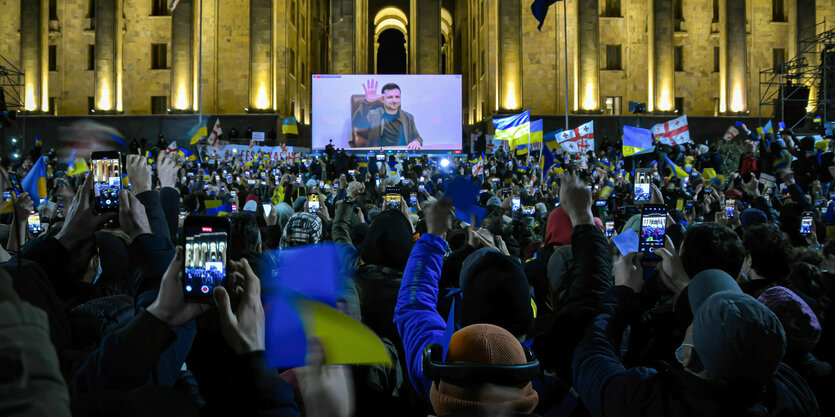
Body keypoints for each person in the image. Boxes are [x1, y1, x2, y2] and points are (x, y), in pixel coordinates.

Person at [351, 80, 423, 150]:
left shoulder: (408, 117)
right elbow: (357, 122)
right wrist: (366, 102)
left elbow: (417, 137)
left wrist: (416, 142)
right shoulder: (373, 115)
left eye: (397, 97)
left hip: (402, 156)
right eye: (390, 97)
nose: (394, 101)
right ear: (382, 99)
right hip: (379, 156)